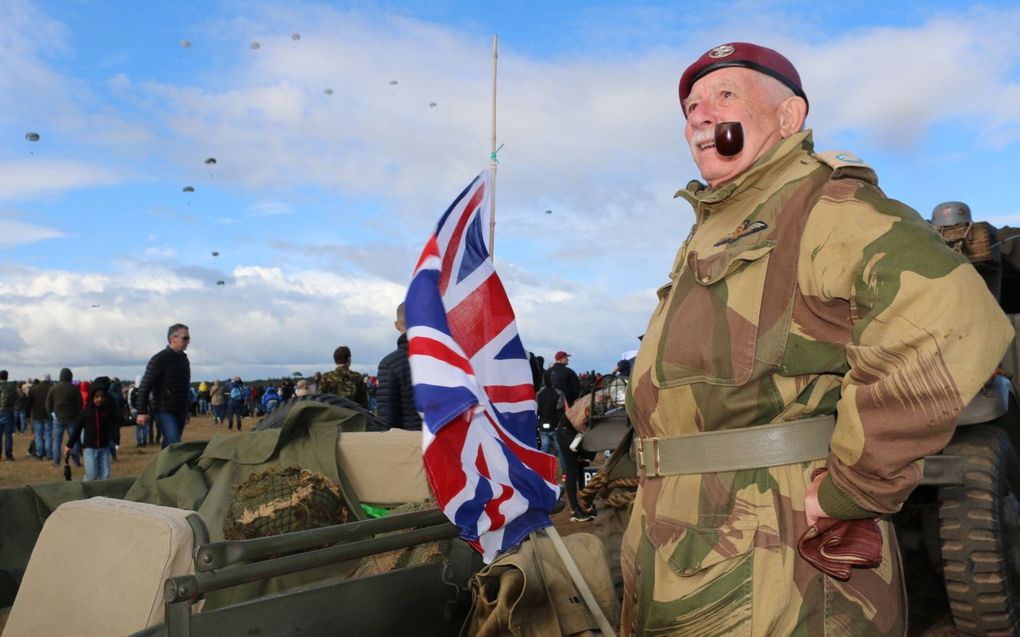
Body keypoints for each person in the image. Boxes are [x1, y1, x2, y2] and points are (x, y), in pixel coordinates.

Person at [620, 42, 1014, 636]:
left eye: (725, 95)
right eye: (691, 105)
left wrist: (853, 487)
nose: (698, 114)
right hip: (682, 538)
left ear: (788, 117)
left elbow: (949, 315)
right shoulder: (723, 221)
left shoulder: (821, 203)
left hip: (769, 551)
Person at [548, 352, 593, 522]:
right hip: (569, 427)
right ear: (561, 358)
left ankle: (584, 505)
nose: (568, 359)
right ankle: (575, 510)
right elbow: (581, 421)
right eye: (566, 357)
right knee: (573, 470)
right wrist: (583, 437)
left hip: (565, 421)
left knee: (580, 467)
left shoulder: (552, 373)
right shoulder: (570, 374)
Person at [135, 323, 192, 448]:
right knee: (174, 444)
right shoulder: (159, 359)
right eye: (185, 338)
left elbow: (185, 388)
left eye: (188, 338)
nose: (188, 341)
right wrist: (141, 411)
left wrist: (186, 409)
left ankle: (162, 467)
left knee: (169, 446)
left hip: (180, 410)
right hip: (164, 409)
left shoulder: (184, 360)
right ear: (173, 338)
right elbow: (145, 386)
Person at [65, 379, 126, 481]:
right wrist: (69, 445)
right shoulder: (85, 413)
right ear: (92, 397)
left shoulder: (107, 412)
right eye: (96, 397)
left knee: (105, 476)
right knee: (92, 475)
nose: (99, 399)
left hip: (104, 449)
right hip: (90, 449)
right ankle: (85, 493)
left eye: (102, 397)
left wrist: (137, 420)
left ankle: (103, 496)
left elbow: (120, 421)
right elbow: (77, 430)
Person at [376, 303, 422, 430]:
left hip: (409, 444)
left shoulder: (389, 364)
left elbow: (387, 421)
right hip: (443, 443)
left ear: (397, 325)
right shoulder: (442, 359)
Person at [46, 367, 82, 466]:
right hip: (73, 418)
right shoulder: (74, 389)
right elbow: (80, 405)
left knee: (57, 442)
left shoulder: (53, 388)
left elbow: (48, 404)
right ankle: (76, 461)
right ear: (70, 376)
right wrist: (79, 418)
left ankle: (56, 462)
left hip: (58, 418)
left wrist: (52, 416)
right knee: (74, 441)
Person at [29, 373, 54, 459]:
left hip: (37, 414)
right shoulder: (52, 388)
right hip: (48, 414)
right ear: (49, 379)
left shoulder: (34, 389)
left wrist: (28, 415)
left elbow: (30, 403)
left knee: (38, 435)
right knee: (48, 435)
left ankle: (40, 453)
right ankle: (49, 454)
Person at [0, 371, 17, 461]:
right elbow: (17, 398)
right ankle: (9, 456)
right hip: (9, 412)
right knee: (8, 436)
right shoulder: (11, 386)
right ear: (7, 377)